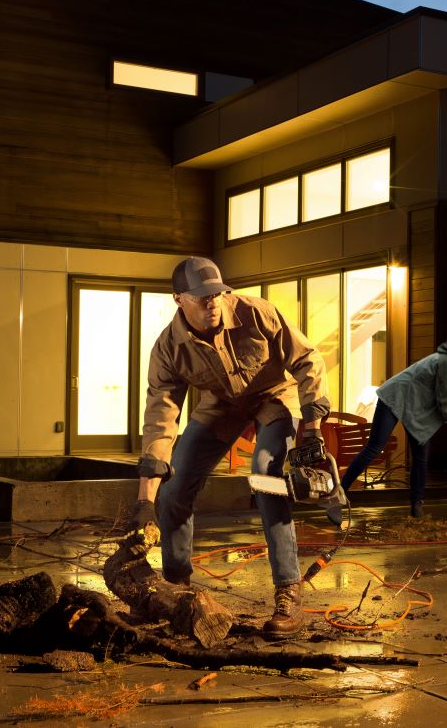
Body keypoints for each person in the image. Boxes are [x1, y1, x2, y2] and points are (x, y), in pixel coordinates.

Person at [130, 257, 328, 637]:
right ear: (179, 300)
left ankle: (289, 590)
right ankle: (177, 589)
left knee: (266, 475)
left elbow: (306, 358)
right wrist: (144, 501)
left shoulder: (257, 312)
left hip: (273, 397)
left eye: (218, 295)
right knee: (173, 490)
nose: (213, 304)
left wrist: (313, 427)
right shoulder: (170, 349)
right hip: (221, 405)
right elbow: (160, 418)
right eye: (202, 298)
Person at [340, 320, 447, 519]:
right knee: (374, 447)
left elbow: (445, 401)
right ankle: (339, 494)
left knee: (421, 457)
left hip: (416, 407)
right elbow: (446, 405)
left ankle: (417, 507)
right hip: (395, 397)